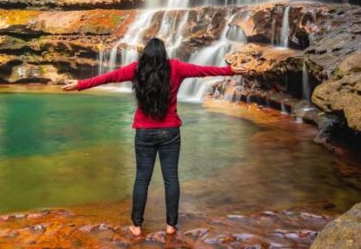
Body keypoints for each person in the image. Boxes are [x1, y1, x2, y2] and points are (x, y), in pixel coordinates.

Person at [62, 38, 247, 237]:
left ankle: (137, 226)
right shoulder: (176, 68)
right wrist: (229, 71)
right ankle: (170, 226)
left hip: (144, 133)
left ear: (146, 55)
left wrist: (80, 84)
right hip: (170, 132)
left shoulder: (136, 69)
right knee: (171, 178)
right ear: (163, 54)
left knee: (142, 179)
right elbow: (202, 70)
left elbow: (109, 77)